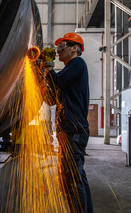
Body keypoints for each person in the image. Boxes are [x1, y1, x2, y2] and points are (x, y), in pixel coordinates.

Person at [41, 32, 93, 213]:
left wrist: (48, 67)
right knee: (78, 177)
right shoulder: (67, 71)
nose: (59, 49)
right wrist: (42, 76)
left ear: (75, 48)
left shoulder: (77, 63)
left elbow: (59, 81)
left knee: (70, 180)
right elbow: (51, 100)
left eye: (63, 45)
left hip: (74, 131)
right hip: (69, 131)